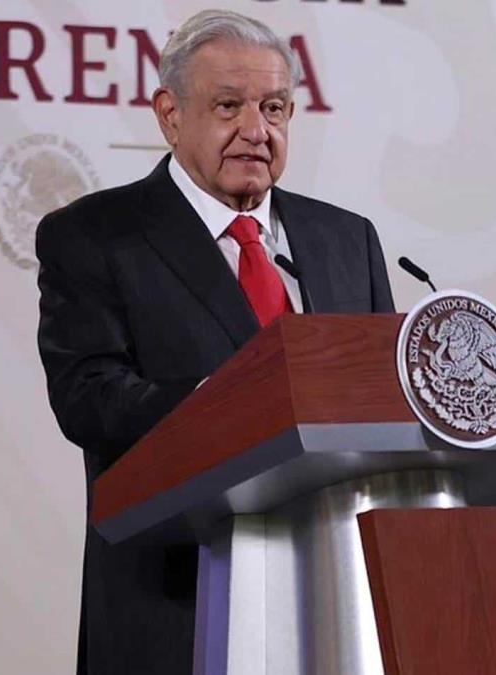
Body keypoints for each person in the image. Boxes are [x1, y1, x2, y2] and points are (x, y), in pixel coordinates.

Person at [36, 9, 394, 675]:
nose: (257, 131)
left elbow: (379, 406)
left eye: (276, 108)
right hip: (177, 605)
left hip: (338, 604)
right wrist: (229, 405)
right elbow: (89, 399)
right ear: (170, 115)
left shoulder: (349, 239)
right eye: (229, 105)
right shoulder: (94, 236)